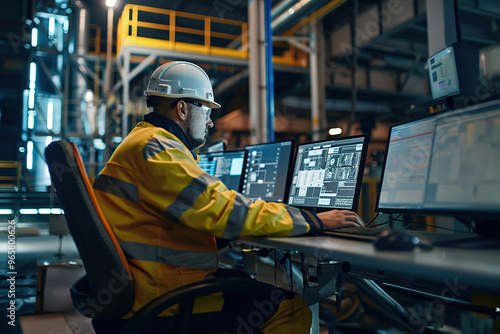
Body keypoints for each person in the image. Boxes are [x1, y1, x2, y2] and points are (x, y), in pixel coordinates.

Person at [92, 61, 363, 333]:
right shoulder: (157, 148)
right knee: (290, 310)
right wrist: (313, 220)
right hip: (162, 298)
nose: (210, 120)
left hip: (146, 288)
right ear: (183, 109)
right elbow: (226, 210)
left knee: (247, 282)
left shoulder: (143, 141)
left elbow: (174, 221)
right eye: (206, 109)